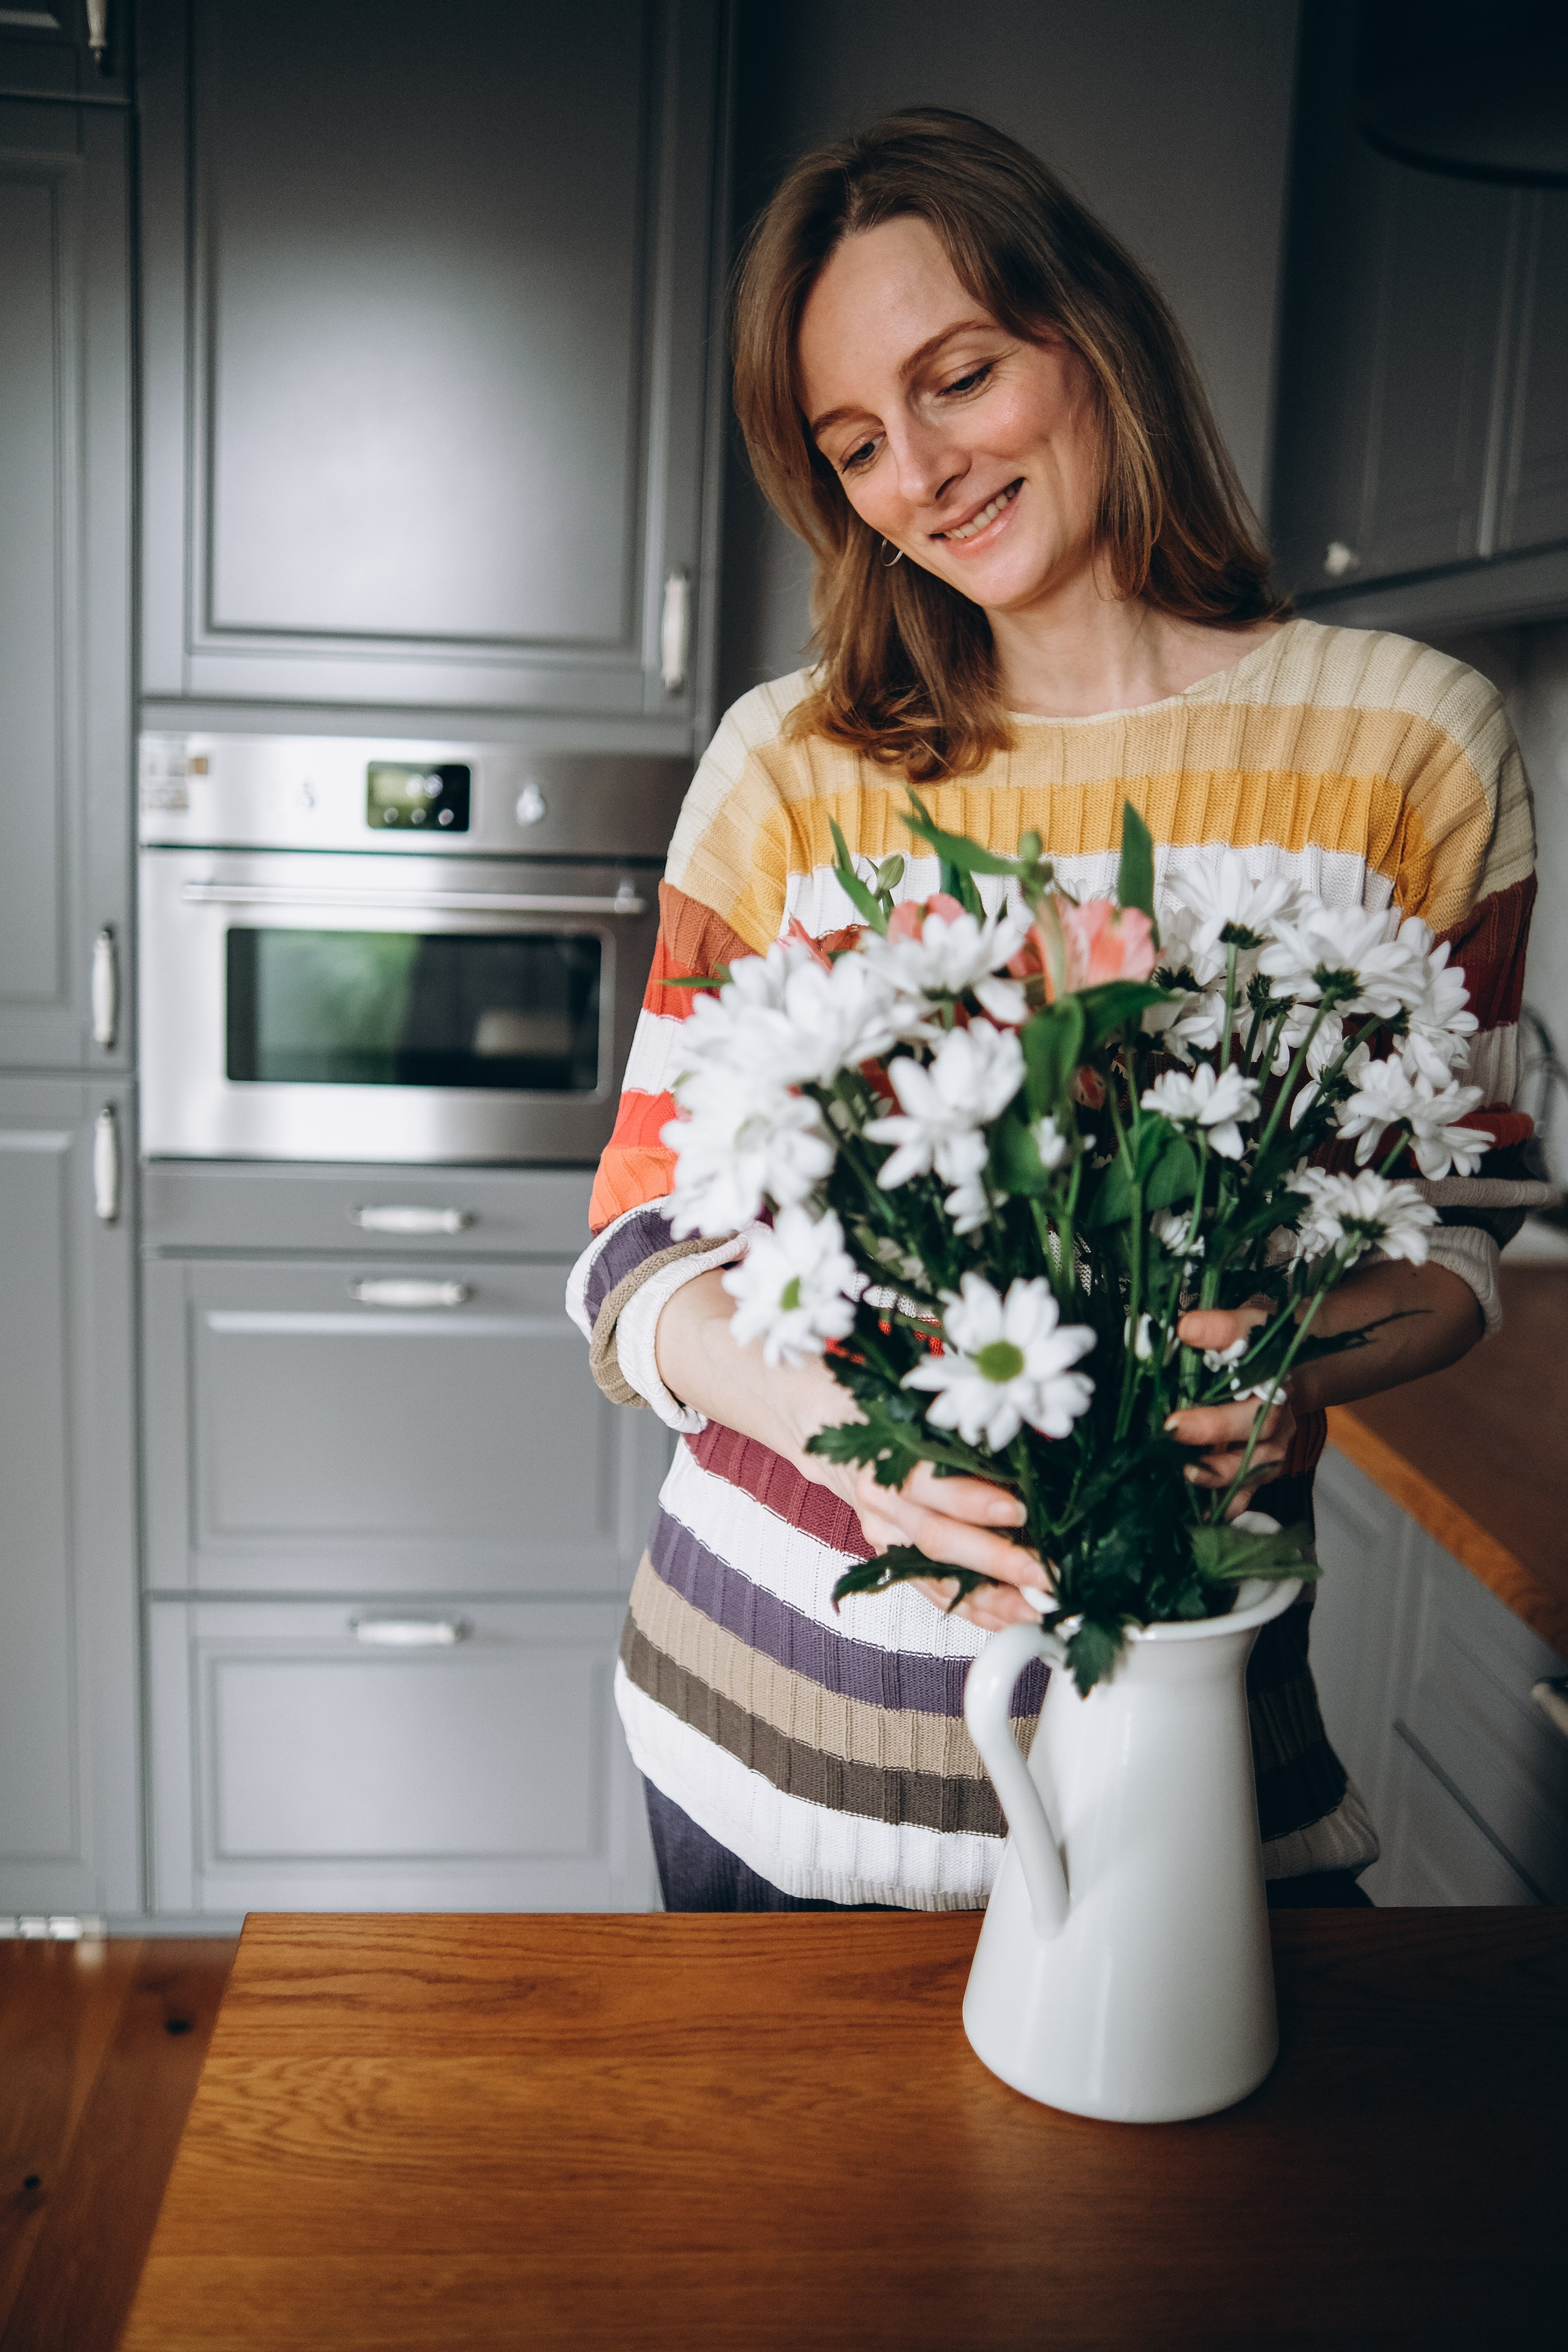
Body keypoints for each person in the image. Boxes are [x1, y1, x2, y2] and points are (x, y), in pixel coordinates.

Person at [567, 108, 1539, 1914]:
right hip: (763, 1740)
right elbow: (639, 1249)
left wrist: (1265, 1368)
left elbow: (1457, 1222)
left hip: (1181, 1737)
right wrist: (860, 1455)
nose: (923, 472)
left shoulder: (1411, 744)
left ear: (1095, 335)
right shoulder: (790, 765)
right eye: (857, 445)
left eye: (960, 378)